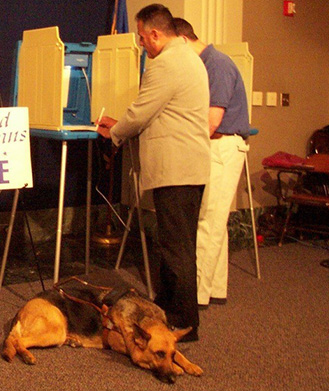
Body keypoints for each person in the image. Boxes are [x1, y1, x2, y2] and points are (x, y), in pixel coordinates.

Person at [96, 4, 211, 342]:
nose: (142, 44)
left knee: (176, 248)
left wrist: (115, 131)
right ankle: (169, 307)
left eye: (143, 38)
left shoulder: (166, 64)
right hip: (191, 167)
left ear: (156, 34)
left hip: (176, 169)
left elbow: (142, 111)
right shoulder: (190, 57)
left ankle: (183, 321)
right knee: (180, 244)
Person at [172, 18, 252, 307]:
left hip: (222, 145)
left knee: (207, 221)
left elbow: (211, 121)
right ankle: (215, 289)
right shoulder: (207, 64)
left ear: (182, 41)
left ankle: (194, 296)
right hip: (219, 146)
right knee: (215, 221)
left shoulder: (216, 64)